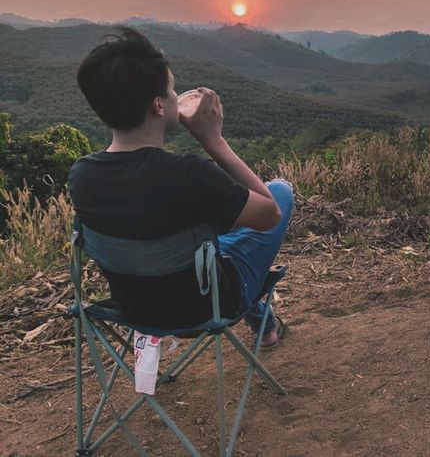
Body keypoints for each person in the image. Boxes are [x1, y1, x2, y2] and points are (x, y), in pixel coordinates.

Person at [68, 26, 293, 349]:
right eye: (173, 91)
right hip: (206, 306)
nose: (177, 97)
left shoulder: (82, 175)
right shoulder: (190, 176)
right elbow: (269, 214)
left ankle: (265, 324)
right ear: (159, 106)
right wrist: (213, 140)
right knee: (281, 192)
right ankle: (263, 325)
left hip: (135, 308)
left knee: (207, 235)